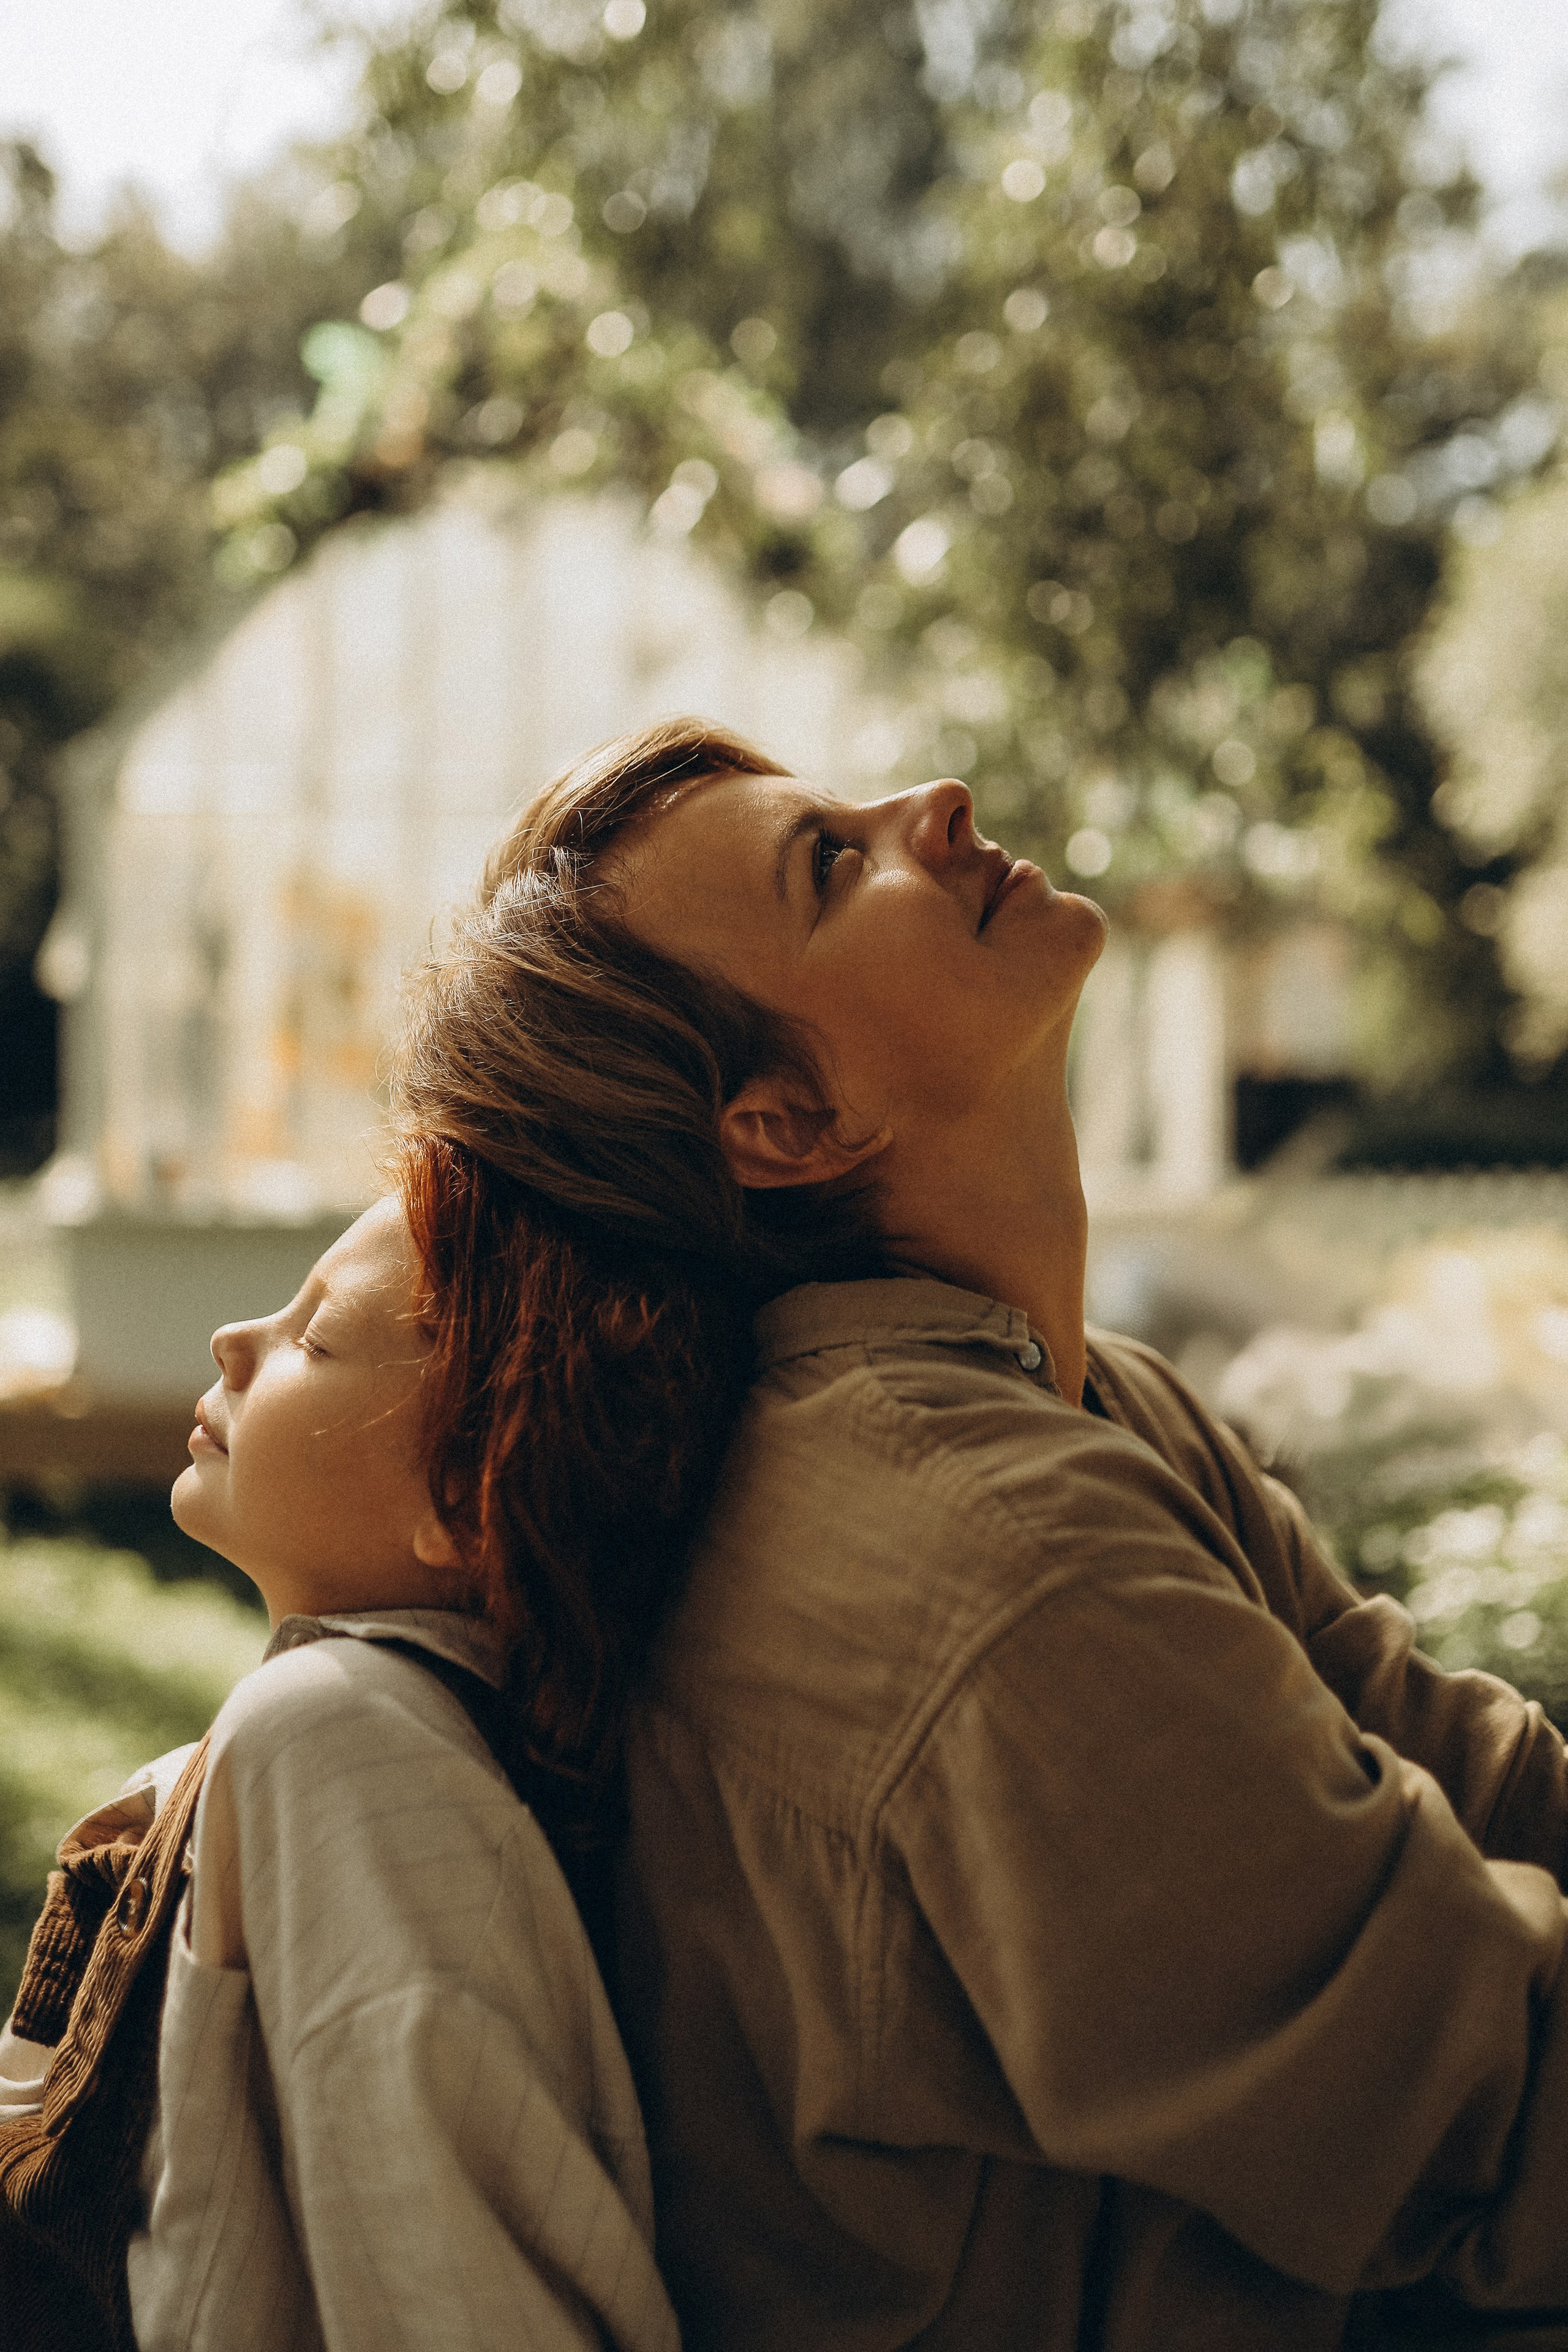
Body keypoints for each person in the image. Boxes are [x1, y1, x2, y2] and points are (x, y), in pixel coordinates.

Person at [394, 714, 1568, 2352]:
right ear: (783, 1127)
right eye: (832, 863)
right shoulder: (992, 1564)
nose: (932, 806)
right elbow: (1486, 2123)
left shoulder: (1089, 1407)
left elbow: (1481, 1781)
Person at [0, 1172, 706, 2352]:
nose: (234, 1340)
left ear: (469, 1496)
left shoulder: (346, 1748)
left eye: (314, 1338)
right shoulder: (326, 1739)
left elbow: (452, 2298)